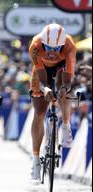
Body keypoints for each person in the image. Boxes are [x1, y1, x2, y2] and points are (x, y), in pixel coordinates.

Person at [28, 23, 77, 183]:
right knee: (39, 112)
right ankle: (35, 159)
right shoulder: (35, 45)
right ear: (43, 42)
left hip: (61, 68)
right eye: (48, 47)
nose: (51, 52)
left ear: (62, 45)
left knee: (64, 92)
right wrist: (45, 90)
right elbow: (41, 81)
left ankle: (66, 125)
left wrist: (63, 88)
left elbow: (68, 80)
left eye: (56, 49)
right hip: (41, 71)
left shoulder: (69, 45)